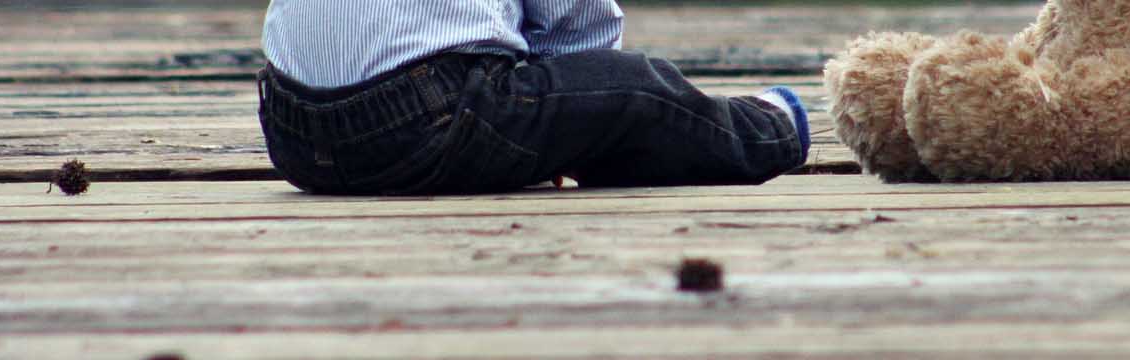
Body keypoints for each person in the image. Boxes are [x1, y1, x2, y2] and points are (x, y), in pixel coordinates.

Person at [257, 0, 810, 195]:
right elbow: (583, 36)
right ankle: (768, 129)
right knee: (638, 89)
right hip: (429, 116)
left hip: (291, 129)